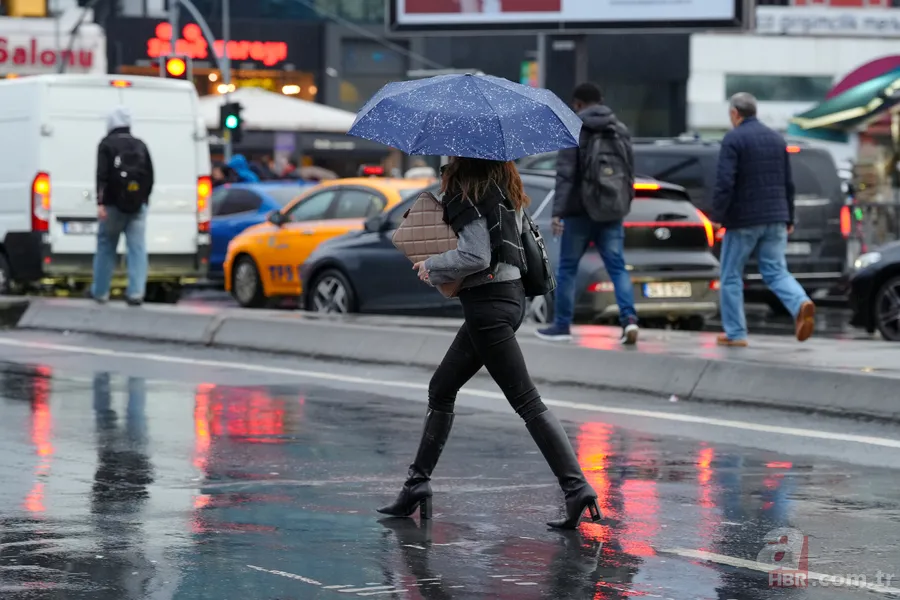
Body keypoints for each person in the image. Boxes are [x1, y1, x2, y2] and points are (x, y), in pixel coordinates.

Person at [377, 157, 601, 530]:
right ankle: (416, 485)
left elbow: (475, 255)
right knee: (441, 388)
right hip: (509, 301)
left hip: (488, 309)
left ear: (462, 162)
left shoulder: (469, 193)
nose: (447, 163)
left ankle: (577, 488)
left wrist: (432, 265)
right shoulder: (505, 190)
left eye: (450, 159)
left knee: (527, 401)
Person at [536, 82, 639, 345]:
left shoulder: (574, 128)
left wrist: (558, 212)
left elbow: (566, 175)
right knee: (617, 267)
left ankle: (562, 325)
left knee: (568, 269)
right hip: (612, 210)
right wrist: (624, 203)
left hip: (579, 212)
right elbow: (629, 171)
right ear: (600, 101)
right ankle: (629, 320)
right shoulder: (619, 129)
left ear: (578, 104)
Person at [710, 93, 816, 347]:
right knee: (775, 270)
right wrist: (788, 216)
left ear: (735, 113)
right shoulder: (776, 139)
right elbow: (788, 182)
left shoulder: (734, 139)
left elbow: (725, 181)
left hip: (744, 219)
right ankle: (801, 302)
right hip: (776, 216)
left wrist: (717, 216)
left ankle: (736, 333)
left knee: (731, 275)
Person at [91, 106, 154, 306]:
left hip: (112, 205)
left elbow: (102, 175)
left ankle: (101, 291)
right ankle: (136, 292)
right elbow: (150, 176)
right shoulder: (140, 145)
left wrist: (100, 203)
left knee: (106, 246)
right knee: (137, 248)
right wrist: (143, 199)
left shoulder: (106, 144)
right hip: (138, 206)